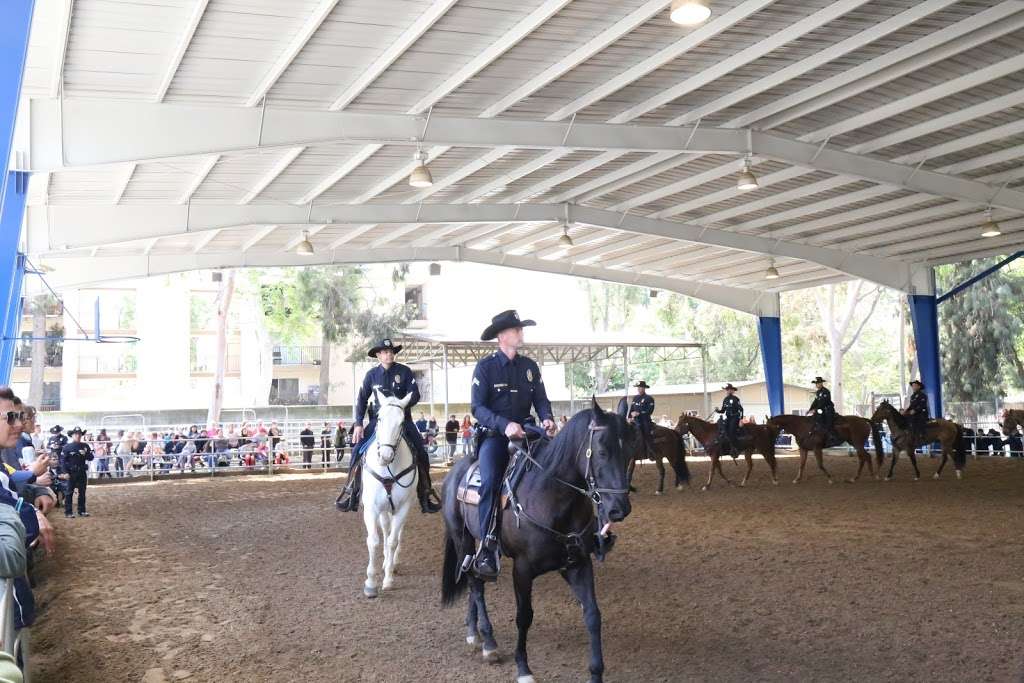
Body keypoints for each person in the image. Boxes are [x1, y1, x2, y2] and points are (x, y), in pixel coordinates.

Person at [470, 310, 555, 580]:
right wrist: (504, 424)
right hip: (496, 436)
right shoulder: (485, 367)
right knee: (491, 481)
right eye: (517, 330)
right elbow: (477, 408)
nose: (521, 333)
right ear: (502, 336)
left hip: (529, 433)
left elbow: (541, 399)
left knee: (558, 468)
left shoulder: (530, 367)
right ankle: (487, 544)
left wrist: (547, 418)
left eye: (520, 329)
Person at [336, 337, 441, 514]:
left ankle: (425, 493)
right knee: (356, 451)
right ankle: (351, 492)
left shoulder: (405, 371)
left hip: (403, 420)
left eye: (391, 352)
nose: (389, 355)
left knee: (422, 453)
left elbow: (415, 394)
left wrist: (400, 405)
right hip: (378, 422)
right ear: (378, 355)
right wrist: (359, 423)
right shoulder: (371, 375)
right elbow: (362, 399)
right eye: (385, 352)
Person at [60, 427, 94, 518]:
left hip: (82, 471)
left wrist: (85, 454)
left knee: (82, 492)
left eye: (79, 434)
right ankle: (68, 512)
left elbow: (91, 457)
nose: (78, 436)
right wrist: (65, 472)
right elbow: (63, 461)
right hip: (71, 472)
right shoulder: (67, 447)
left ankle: (82, 511)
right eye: (76, 434)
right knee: (69, 492)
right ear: (72, 435)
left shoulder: (85, 446)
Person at [715, 384, 743, 455]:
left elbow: (741, 409)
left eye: (730, 389)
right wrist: (717, 410)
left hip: (735, 417)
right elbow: (723, 411)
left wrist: (741, 419)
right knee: (723, 429)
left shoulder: (736, 399)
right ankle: (726, 446)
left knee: (731, 431)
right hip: (729, 418)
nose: (728, 391)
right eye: (727, 389)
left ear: (733, 391)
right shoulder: (725, 399)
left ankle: (735, 448)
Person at [629, 380, 656, 456]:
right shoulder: (635, 398)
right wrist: (630, 415)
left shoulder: (649, 398)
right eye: (638, 387)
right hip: (635, 420)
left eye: (640, 387)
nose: (639, 389)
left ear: (644, 388)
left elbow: (650, 410)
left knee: (646, 432)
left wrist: (639, 413)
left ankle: (651, 450)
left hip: (644, 420)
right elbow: (631, 408)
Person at [903, 380, 929, 445]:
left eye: (915, 386)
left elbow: (922, 405)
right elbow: (911, 406)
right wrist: (906, 411)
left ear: (919, 387)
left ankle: (921, 436)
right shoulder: (912, 396)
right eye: (912, 386)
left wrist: (915, 410)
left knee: (917, 420)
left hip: (921, 413)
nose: (913, 387)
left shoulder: (923, 395)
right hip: (913, 413)